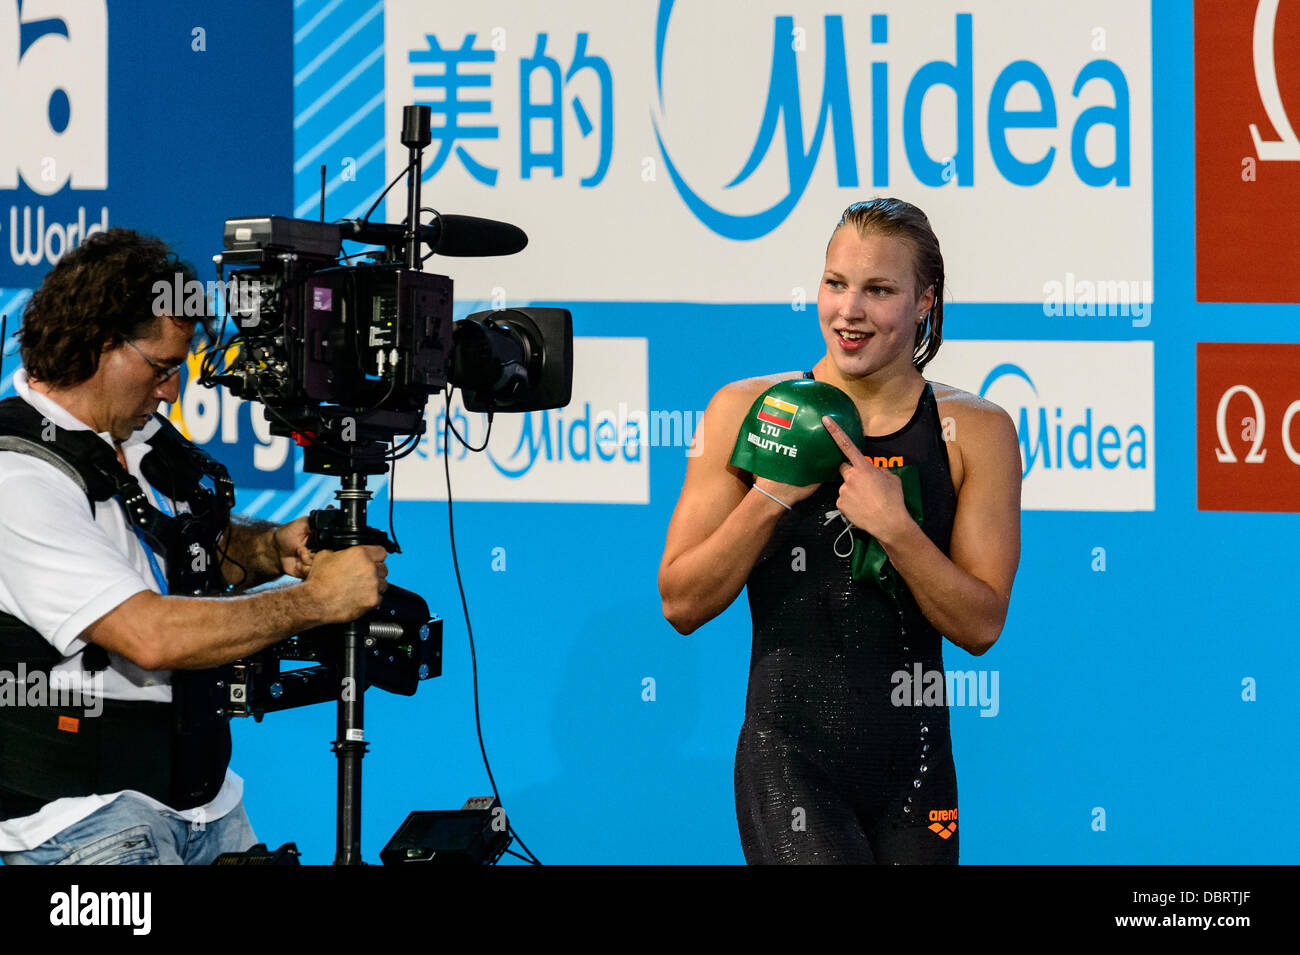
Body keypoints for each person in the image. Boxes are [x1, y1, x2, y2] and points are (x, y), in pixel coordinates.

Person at [0, 227, 388, 865]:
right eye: (161, 369)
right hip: (80, 821)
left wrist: (270, 552)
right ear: (100, 346)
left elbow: (179, 548)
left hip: (205, 803)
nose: (171, 392)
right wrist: (315, 601)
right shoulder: (19, 477)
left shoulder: (139, 439)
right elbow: (148, 633)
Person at [658, 198, 1021, 864]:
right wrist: (772, 493)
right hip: (788, 759)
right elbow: (681, 601)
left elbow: (981, 626)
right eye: (835, 283)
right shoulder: (748, 411)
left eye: (878, 290)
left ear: (924, 302)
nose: (848, 310)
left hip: (916, 771)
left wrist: (898, 529)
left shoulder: (977, 430)